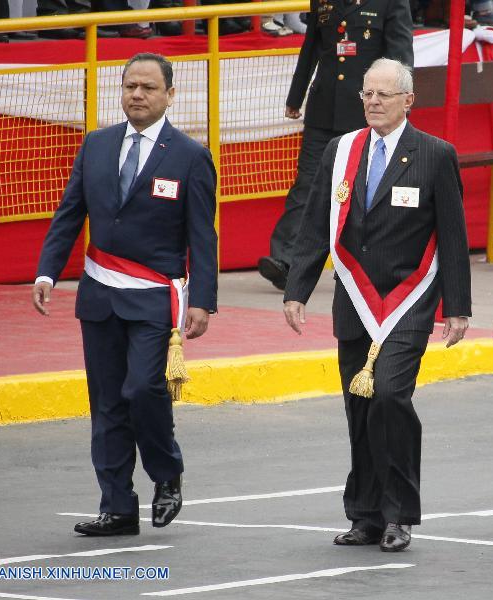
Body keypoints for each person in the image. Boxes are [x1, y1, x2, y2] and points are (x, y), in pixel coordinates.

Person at [283, 58, 471, 552]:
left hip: (408, 299)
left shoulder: (434, 154)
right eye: (367, 93)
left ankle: (399, 512)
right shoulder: (340, 151)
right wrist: (297, 288)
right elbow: (314, 224)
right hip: (354, 298)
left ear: (408, 100)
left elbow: (453, 233)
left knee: (389, 396)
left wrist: (458, 306)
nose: (372, 102)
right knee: (360, 408)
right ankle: (365, 514)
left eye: (383, 94)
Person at [33, 53, 218, 537]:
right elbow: (70, 212)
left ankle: (167, 472)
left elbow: (204, 235)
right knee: (107, 404)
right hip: (99, 293)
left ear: (169, 95)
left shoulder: (189, 156)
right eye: (130, 86)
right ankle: (117, 506)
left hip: (153, 296)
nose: (137, 95)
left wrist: (203, 299)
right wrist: (48, 273)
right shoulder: (96, 145)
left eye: (148, 88)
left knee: (142, 389)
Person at [257, 0, 414, 291]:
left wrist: (399, 107)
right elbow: (311, 48)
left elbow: (401, 58)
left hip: (366, 111)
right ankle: (285, 259)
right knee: (307, 182)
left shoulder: (391, 3)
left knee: (364, 190)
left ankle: (364, 261)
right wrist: (296, 96)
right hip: (324, 107)